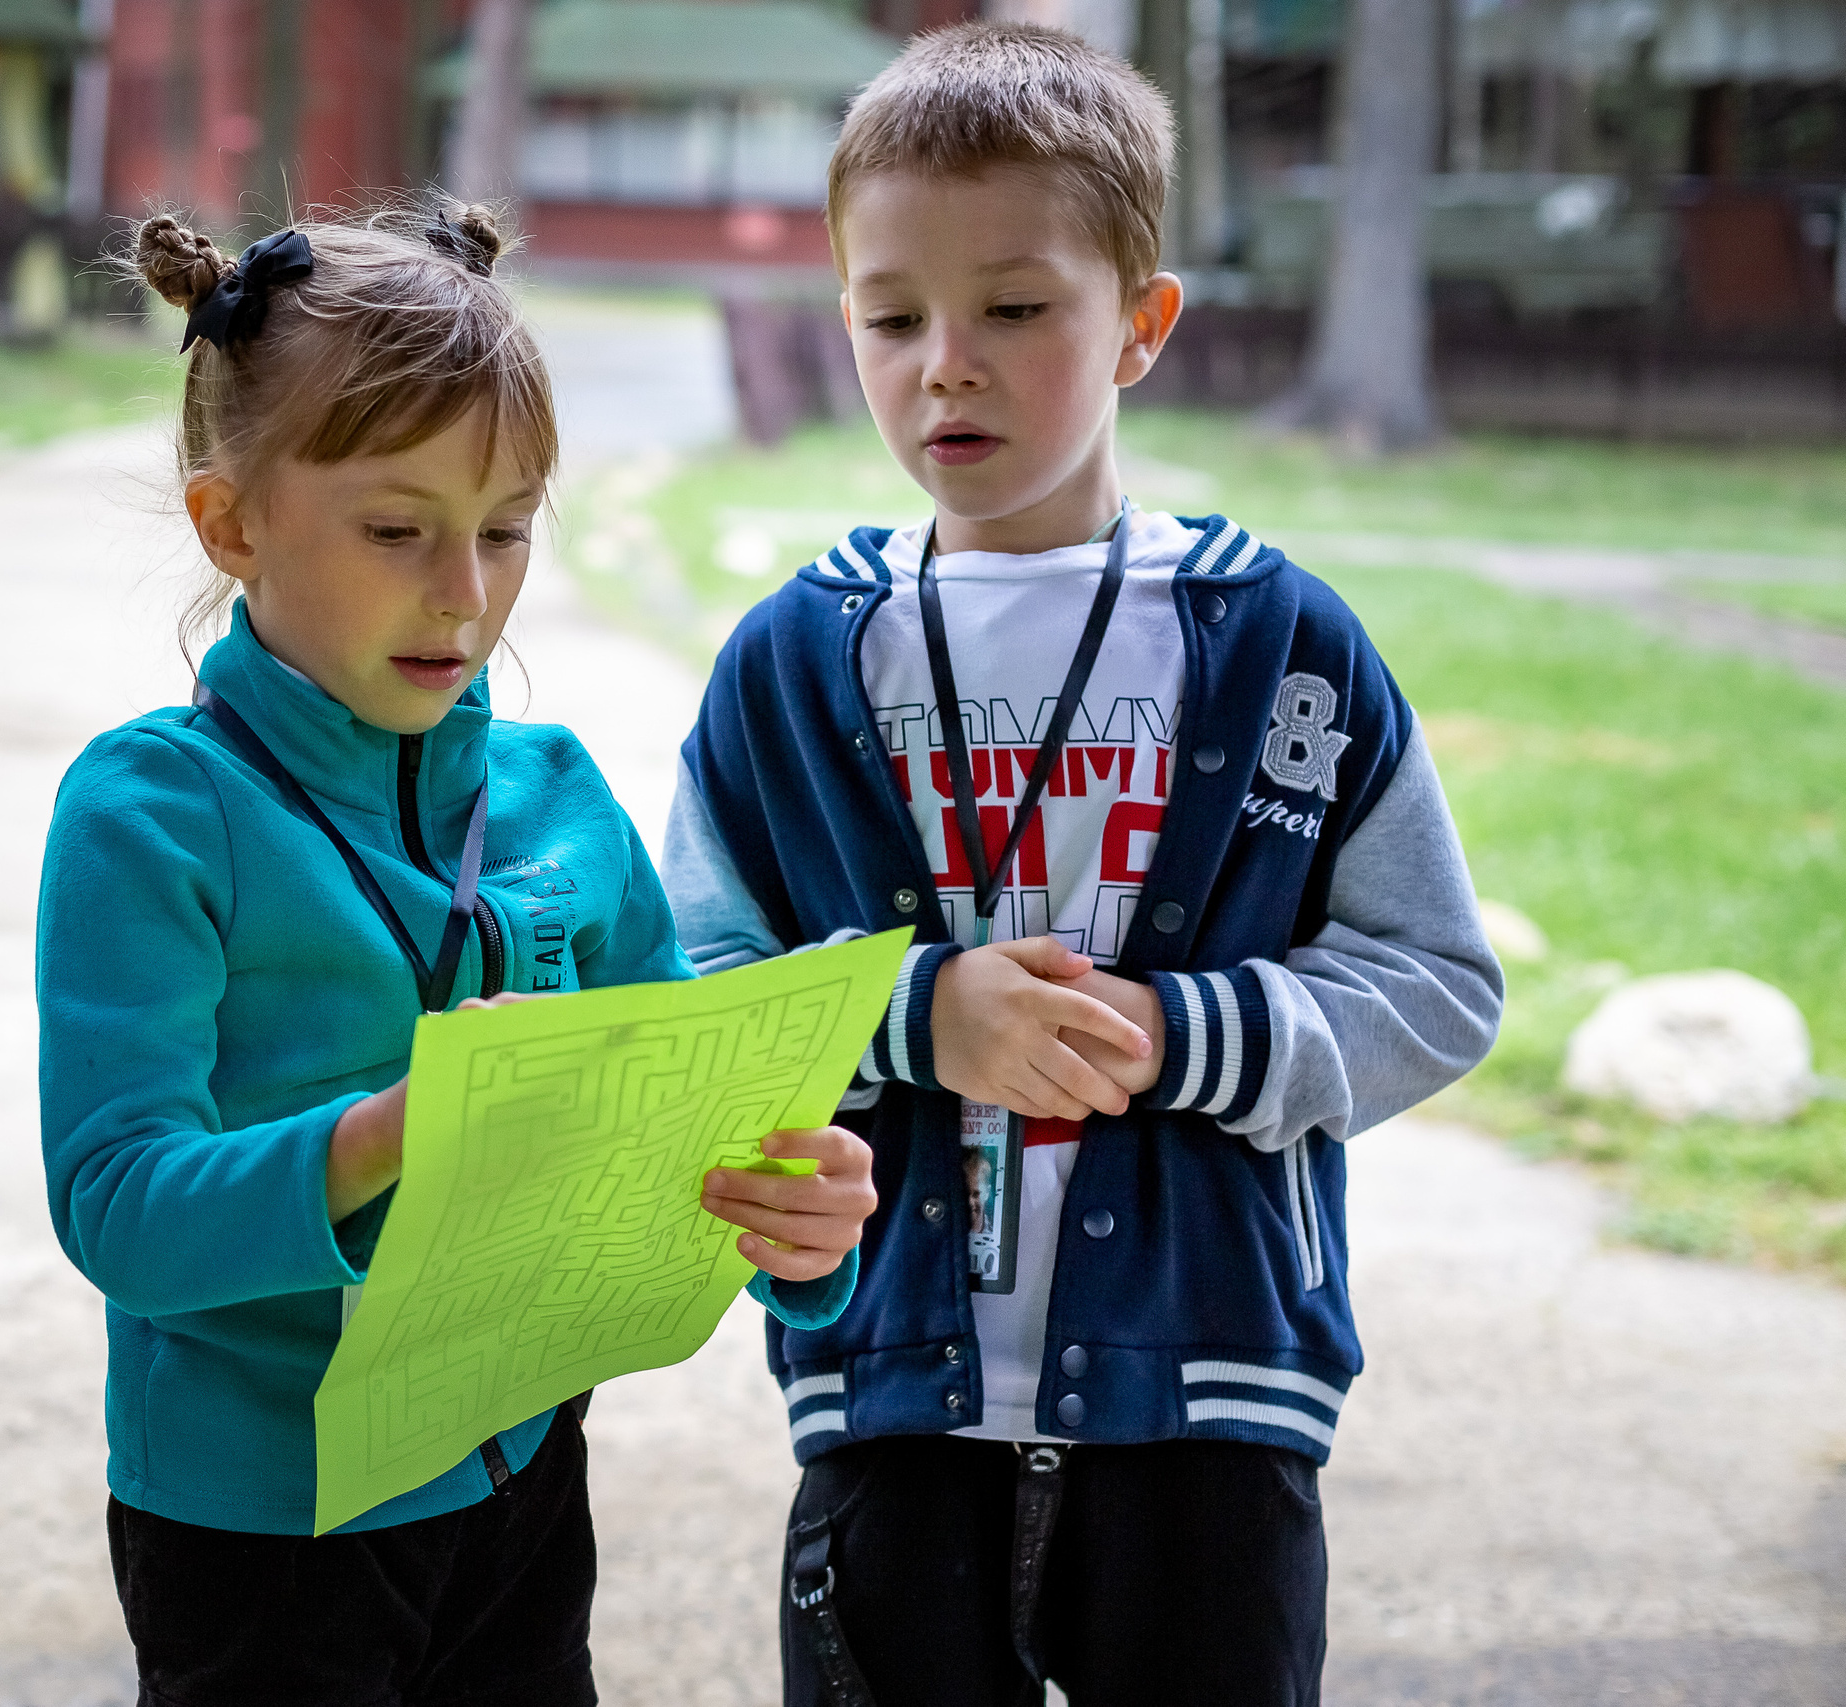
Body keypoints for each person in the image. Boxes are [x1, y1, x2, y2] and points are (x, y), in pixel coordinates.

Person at [663, 25, 1504, 1707]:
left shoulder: (1282, 644)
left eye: (1017, 309)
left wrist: (1186, 1036)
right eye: (892, 318)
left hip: (1211, 1395)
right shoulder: (792, 660)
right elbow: (694, 984)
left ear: (1142, 322)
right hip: (887, 1388)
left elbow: (1438, 981)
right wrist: (916, 1018)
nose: (945, 366)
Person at [35, 200, 879, 1707]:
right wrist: (385, 1137)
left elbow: (676, 1133)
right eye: (396, 529)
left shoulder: (563, 797)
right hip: (260, 1519)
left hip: (521, 1472)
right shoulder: (151, 814)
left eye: (503, 529)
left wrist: (797, 1228)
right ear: (231, 523)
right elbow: (118, 1209)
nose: (465, 591)